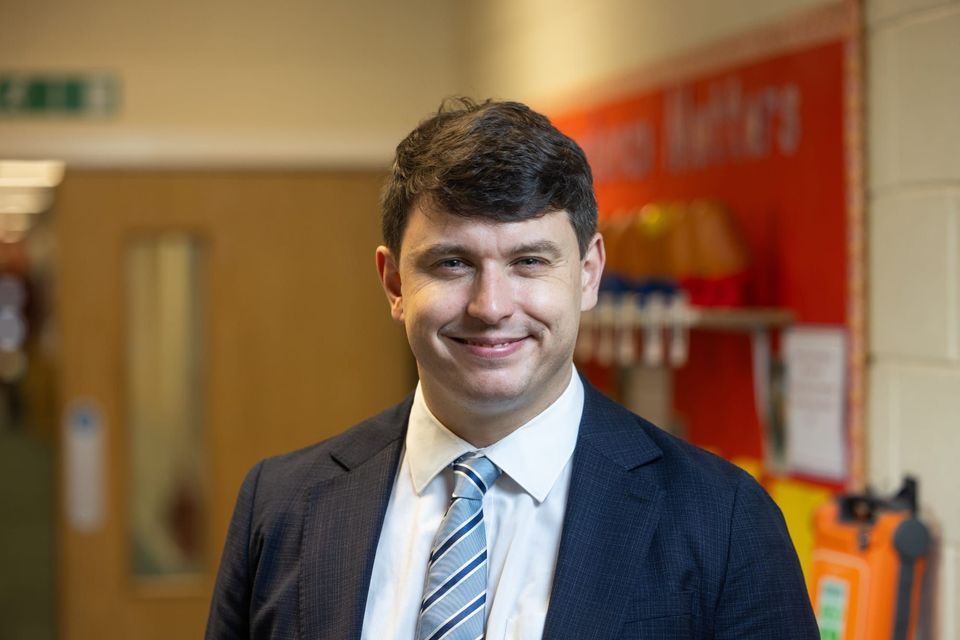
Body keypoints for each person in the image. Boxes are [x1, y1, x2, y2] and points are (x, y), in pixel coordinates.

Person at [206, 98, 819, 639]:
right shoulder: (282, 506)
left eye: (529, 261)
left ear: (587, 273)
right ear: (394, 282)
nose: (491, 306)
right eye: (451, 263)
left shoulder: (721, 522)